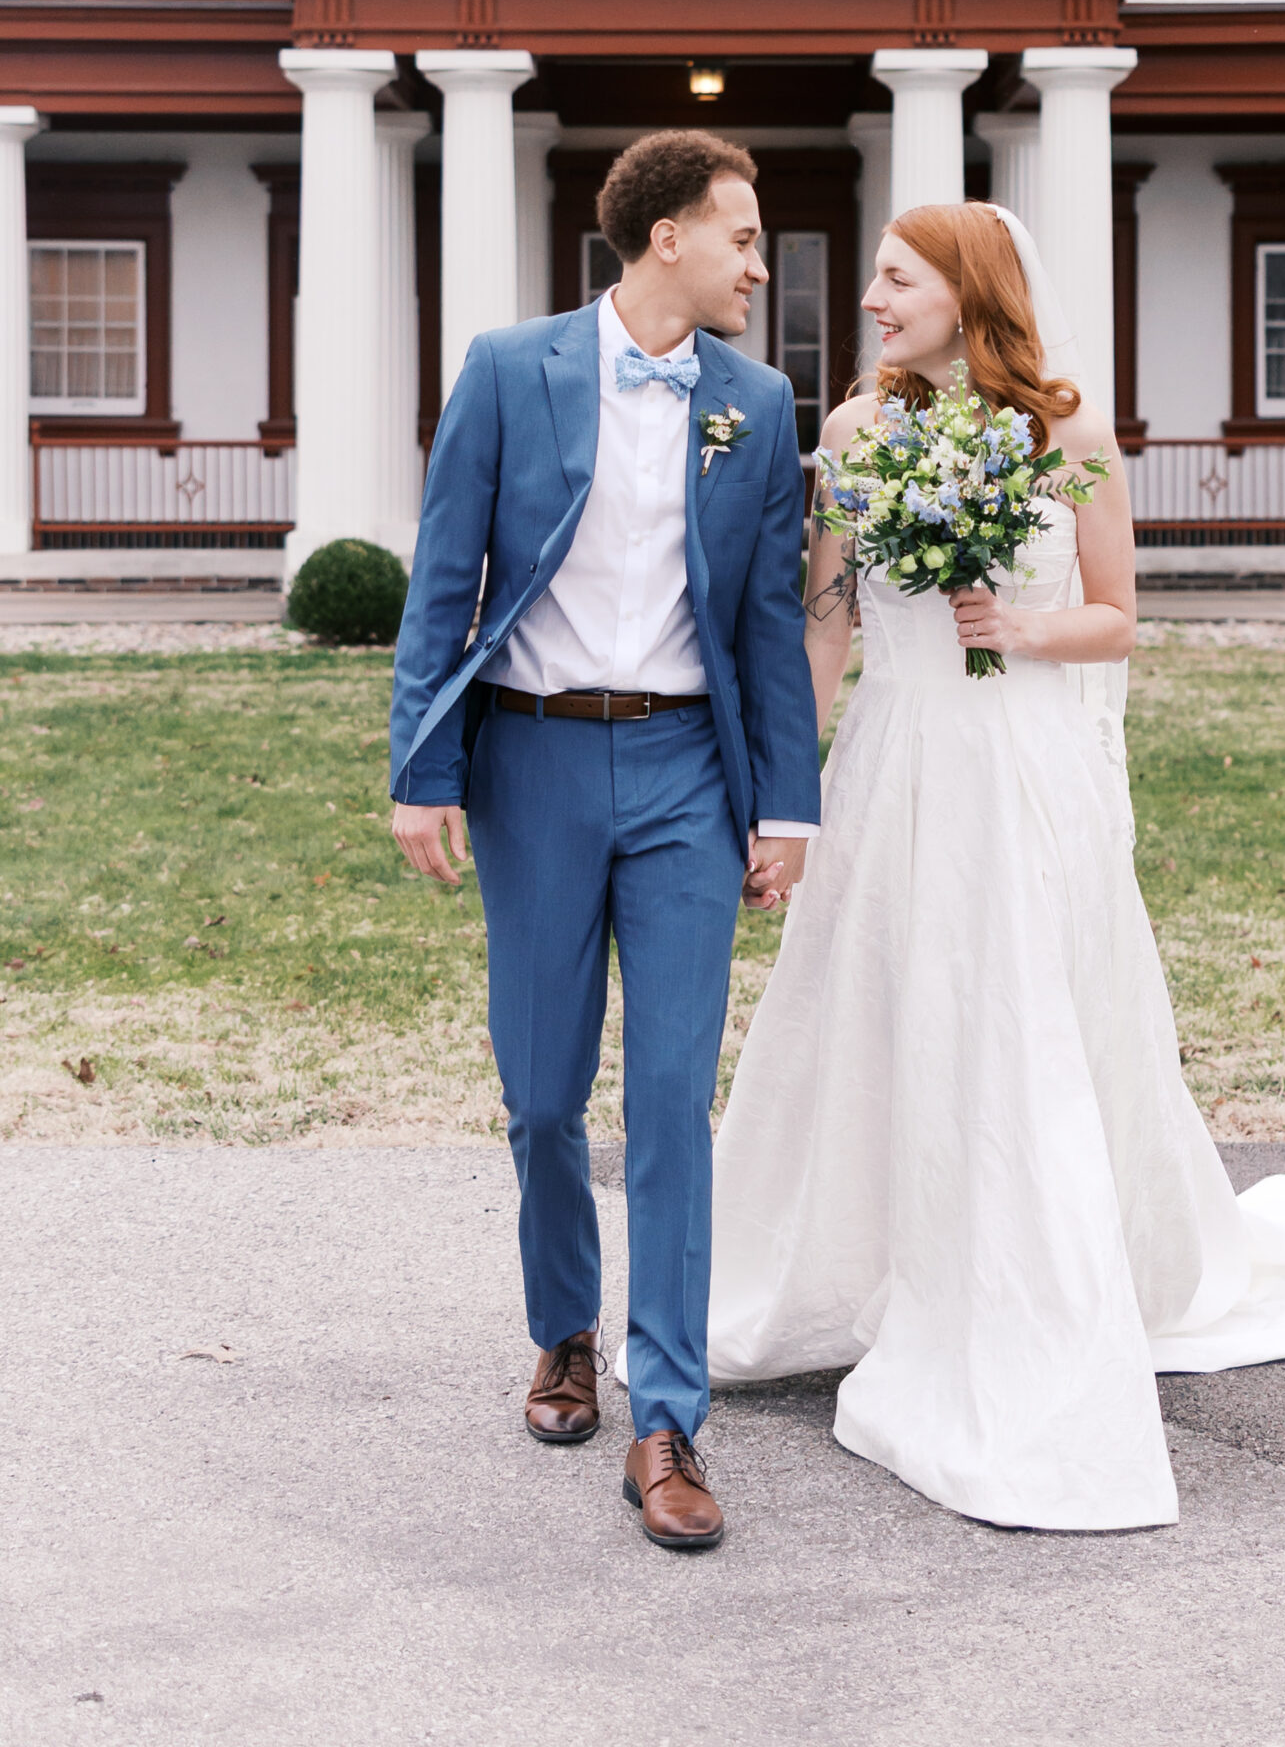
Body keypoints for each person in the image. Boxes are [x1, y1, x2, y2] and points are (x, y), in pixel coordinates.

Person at [705, 199, 1285, 1532]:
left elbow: (1119, 622)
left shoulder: (1067, 432)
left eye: (896, 281)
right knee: (876, 1009)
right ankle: (863, 1264)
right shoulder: (850, 435)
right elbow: (823, 629)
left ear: (968, 290)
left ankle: (1016, 1285)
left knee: (1011, 1024)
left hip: (1017, 770)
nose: (873, 302)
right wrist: (787, 798)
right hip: (892, 764)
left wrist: (1021, 624)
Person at [389, 130, 821, 1553]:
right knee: (540, 1088)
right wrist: (422, 768)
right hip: (536, 761)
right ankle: (561, 1329)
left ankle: (665, 1418)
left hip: (690, 773)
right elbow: (445, 579)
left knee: (674, 1099)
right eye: (742, 237)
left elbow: (764, 620)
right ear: (664, 241)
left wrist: (785, 804)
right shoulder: (514, 369)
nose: (760, 263)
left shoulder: (757, 405)